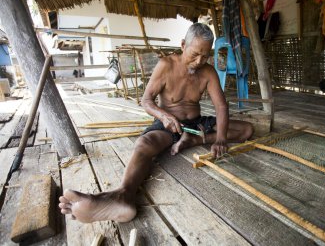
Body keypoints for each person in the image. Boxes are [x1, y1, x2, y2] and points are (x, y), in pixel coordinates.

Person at [58, 23, 254, 223]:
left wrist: (220, 139)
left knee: (246, 129)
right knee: (144, 144)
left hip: (196, 123)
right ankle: (123, 195)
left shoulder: (208, 71)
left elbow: (221, 107)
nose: (199, 61)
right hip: (169, 125)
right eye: (195, 54)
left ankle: (194, 140)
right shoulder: (166, 65)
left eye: (205, 56)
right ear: (183, 44)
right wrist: (164, 116)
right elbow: (146, 100)